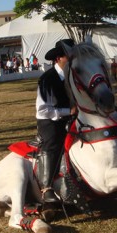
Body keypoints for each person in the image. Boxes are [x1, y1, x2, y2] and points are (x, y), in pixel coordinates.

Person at [36, 39, 78, 202]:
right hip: (50, 121)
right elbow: (44, 110)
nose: (73, 60)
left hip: (72, 116)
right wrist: (69, 111)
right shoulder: (48, 79)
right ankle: (47, 188)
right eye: (70, 56)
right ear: (59, 58)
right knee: (53, 143)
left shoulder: (73, 75)